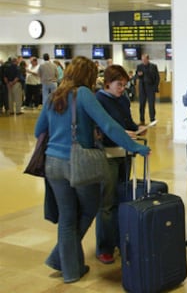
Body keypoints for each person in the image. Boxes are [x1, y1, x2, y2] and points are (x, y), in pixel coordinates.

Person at [34, 56, 150, 284]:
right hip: (78, 161)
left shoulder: (54, 95)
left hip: (52, 163)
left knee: (68, 217)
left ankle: (70, 269)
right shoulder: (83, 94)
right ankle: (61, 258)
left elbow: (39, 129)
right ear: (86, 75)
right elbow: (108, 124)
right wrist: (134, 147)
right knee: (89, 209)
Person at [94, 65, 144, 264]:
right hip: (108, 154)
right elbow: (103, 128)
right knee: (107, 202)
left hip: (125, 154)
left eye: (124, 84)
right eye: (119, 84)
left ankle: (118, 240)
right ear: (108, 83)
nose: (122, 88)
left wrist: (138, 129)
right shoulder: (98, 100)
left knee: (122, 198)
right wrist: (123, 133)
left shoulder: (122, 99)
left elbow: (127, 123)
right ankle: (104, 246)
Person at [135, 53, 160, 124]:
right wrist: (138, 75)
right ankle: (142, 119)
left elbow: (157, 78)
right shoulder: (139, 66)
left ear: (148, 59)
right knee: (142, 104)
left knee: (151, 105)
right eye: (142, 60)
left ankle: (152, 119)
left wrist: (155, 87)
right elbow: (136, 76)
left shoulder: (153, 66)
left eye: (145, 60)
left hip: (151, 88)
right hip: (142, 88)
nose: (143, 61)